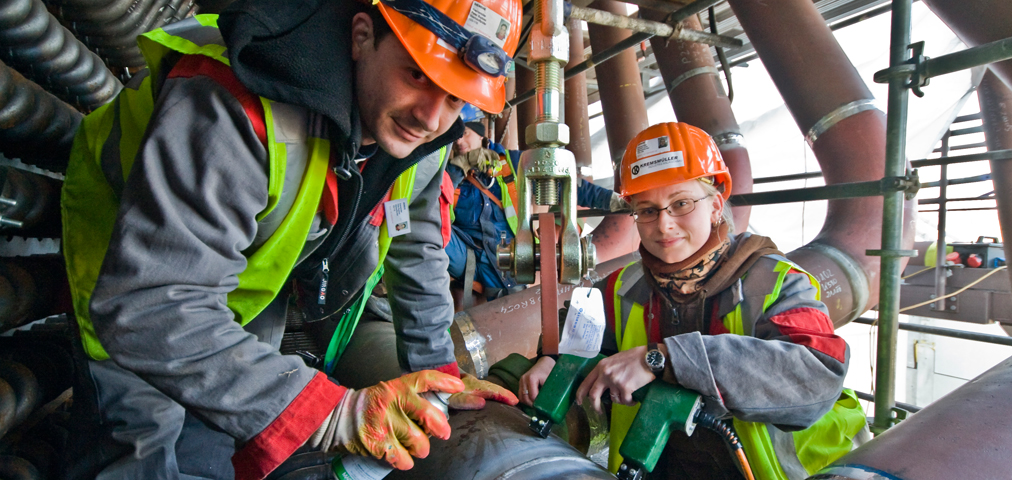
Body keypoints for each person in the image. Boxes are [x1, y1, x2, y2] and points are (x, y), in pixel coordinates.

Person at [60, 0, 521, 478]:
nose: (429, 117)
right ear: (363, 36)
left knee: (218, 429)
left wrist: (439, 376)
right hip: (139, 257)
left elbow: (416, 242)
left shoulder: (422, 138)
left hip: (248, 272)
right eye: (417, 76)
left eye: (453, 98)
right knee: (140, 445)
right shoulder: (238, 100)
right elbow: (152, 304)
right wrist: (333, 412)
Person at [518, 123, 866, 479]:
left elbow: (816, 375)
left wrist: (662, 358)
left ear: (715, 205)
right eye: (648, 210)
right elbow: (578, 337)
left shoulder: (775, 283)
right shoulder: (622, 287)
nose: (664, 225)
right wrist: (553, 360)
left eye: (681, 204)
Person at [445, 121, 626, 305]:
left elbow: (566, 184)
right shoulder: (449, 177)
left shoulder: (514, 162)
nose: (459, 141)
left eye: (465, 133)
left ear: (481, 136)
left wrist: (615, 201)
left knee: (511, 295)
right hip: (470, 258)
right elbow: (434, 210)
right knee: (428, 229)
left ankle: (507, 302)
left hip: (514, 253)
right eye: (455, 137)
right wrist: (458, 168)